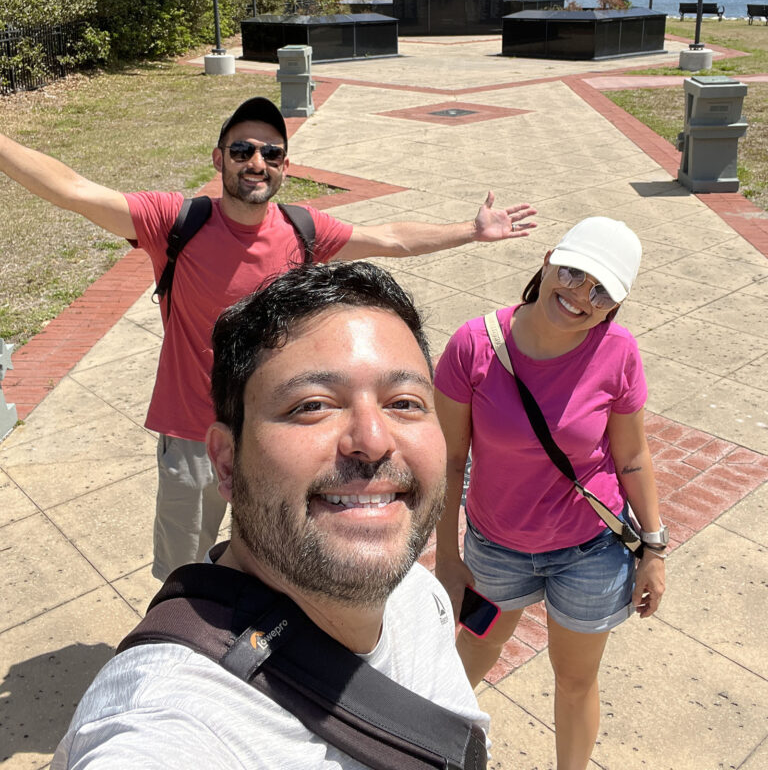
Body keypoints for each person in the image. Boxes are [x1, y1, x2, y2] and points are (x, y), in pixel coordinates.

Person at [0, 96, 536, 579]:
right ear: (219, 159)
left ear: (284, 167)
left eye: (271, 153)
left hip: (281, 431)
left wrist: (470, 231)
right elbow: (70, 189)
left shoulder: (302, 229)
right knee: (185, 569)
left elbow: (391, 238)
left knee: (283, 555)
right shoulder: (174, 221)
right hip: (195, 431)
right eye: (243, 150)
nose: (257, 162)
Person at [52, 261, 489, 769]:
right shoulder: (164, 720)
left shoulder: (418, 593)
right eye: (313, 406)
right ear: (226, 461)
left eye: (406, 402)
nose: (372, 441)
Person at [433, 217, 666, 770]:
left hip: (591, 551)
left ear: (616, 304)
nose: (581, 295)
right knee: (472, 653)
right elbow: (446, 461)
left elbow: (632, 457)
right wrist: (446, 555)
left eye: (601, 290)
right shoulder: (475, 345)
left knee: (576, 679)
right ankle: (427, 752)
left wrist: (654, 550)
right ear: (546, 260)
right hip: (495, 550)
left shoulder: (618, 351)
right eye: (574, 272)